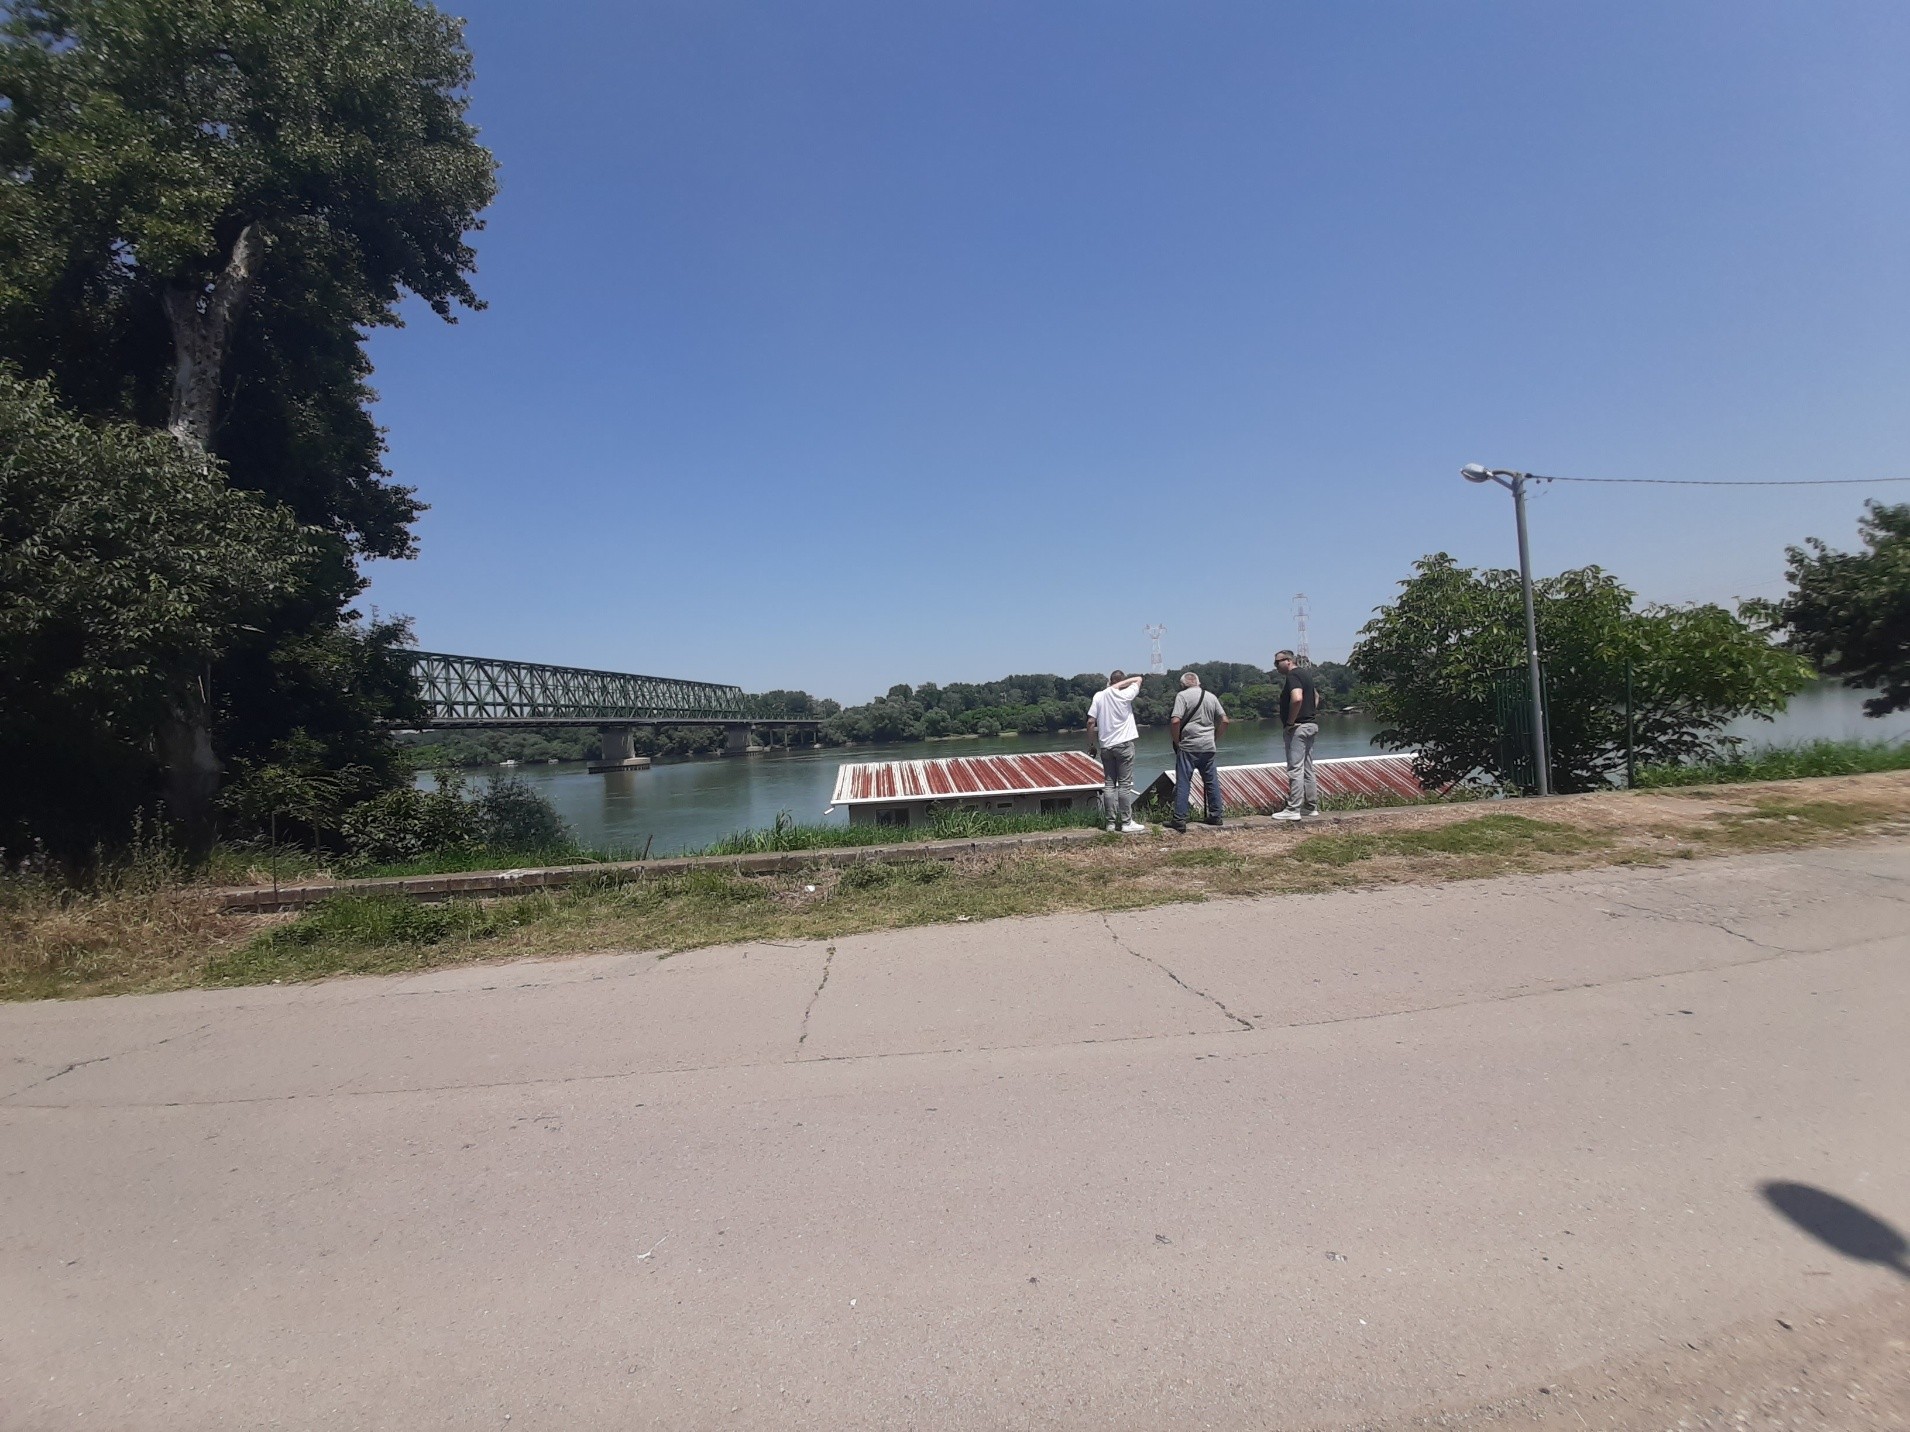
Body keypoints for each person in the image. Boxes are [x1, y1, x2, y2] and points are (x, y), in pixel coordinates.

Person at [1087, 670, 1148, 834]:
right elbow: (1139, 679)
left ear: (1110, 681)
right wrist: (1121, 685)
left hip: (1106, 746)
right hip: (1124, 745)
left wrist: (1092, 744)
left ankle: (1110, 823)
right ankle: (1126, 822)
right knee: (1124, 785)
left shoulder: (1099, 696)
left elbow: (1091, 721)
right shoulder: (1125, 694)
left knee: (1109, 785)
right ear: (1122, 681)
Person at [1168, 671, 1228, 833]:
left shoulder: (1182, 696)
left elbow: (1175, 721)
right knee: (1211, 781)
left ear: (1182, 685)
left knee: (1183, 782)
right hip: (1208, 746)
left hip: (1188, 746)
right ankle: (1216, 815)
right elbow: (1224, 720)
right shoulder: (1211, 697)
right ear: (1198, 683)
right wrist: (1214, 738)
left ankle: (1179, 819)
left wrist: (1177, 741)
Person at [1271, 649, 1320, 821]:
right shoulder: (1305, 674)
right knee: (1308, 768)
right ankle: (1311, 807)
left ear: (1288, 661)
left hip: (1298, 728)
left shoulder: (1293, 676)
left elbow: (1297, 698)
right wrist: (1309, 713)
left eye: (1277, 662)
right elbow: (1316, 696)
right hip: (1310, 725)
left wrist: (1291, 722)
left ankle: (1293, 809)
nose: (1275, 666)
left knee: (1295, 769)